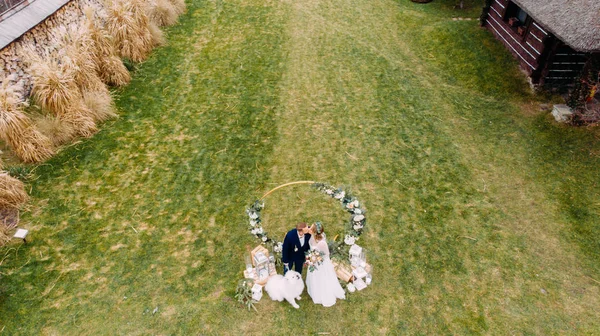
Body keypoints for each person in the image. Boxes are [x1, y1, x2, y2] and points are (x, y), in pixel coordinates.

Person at [306, 222, 345, 307]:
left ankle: (321, 293)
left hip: (320, 263)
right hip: (314, 259)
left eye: (310, 228)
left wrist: (315, 259)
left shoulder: (322, 243)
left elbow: (326, 255)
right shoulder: (313, 236)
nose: (309, 229)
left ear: (314, 232)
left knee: (321, 278)